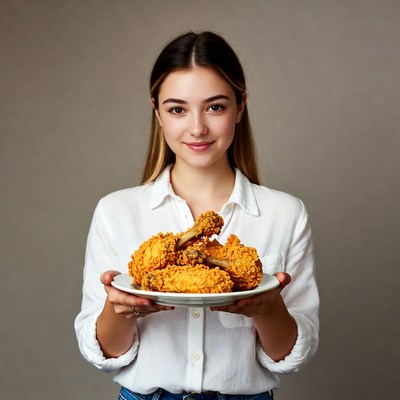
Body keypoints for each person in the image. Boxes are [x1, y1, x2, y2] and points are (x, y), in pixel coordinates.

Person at [75, 31, 319, 400]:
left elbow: (288, 356)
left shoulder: (284, 213)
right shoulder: (116, 211)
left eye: (215, 107)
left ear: (240, 107)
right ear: (157, 113)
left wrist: (267, 310)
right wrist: (118, 309)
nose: (197, 128)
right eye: (177, 109)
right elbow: (106, 354)